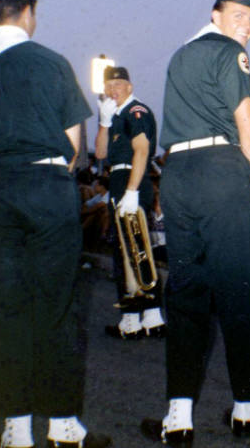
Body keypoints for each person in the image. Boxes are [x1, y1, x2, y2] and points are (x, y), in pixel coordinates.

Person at [0, 0, 110, 447]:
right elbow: (75, 148)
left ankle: (15, 427)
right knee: (55, 308)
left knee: (7, 308)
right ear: (29, 12)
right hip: (46, 190)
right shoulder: (51, 63)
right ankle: (62, 425)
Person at [140, 0, 250, 444]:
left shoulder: (180, 55)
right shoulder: (231, 53)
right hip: (221, 171)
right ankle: (245, 409)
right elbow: (249, 131)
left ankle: (178, 417)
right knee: (237, 291)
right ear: (216, 15)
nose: (247, 26)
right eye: (238, 16)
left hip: (178, 175)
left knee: (185, 294)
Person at [95, 66, 166, 339]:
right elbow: (100, 152)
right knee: (131, 250)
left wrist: (132, 190)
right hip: (118, 180)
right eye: (108, 86)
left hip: (130, 180)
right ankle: (147, 317)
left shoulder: (136, 111)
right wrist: (104, 122)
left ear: (130, 86)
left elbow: (142, 150)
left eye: (118, 84)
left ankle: (136, 318)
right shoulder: (115, 116)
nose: (112, 90)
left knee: (133, 250)